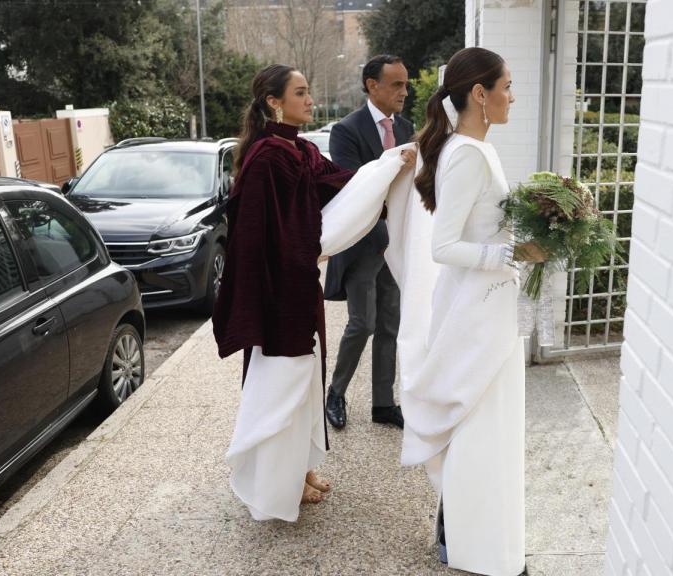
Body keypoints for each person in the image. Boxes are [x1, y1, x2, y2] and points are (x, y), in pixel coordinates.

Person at [212, 64, 415, 522]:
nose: (310, 100)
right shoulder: (267, 157)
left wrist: (390, 168)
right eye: (300, 93)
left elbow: (343, 184)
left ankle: (300, 471)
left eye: (308, 92)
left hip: (300, 286)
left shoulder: (301, 150)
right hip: (279, 295)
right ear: (273, 102)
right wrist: (302, 257)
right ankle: (276, 483)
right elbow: (256, 236)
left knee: (306, 383)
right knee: (283, 386)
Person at [397, 47, 543, 575]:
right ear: (480, 94)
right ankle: (472, 542)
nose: (513, 96)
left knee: (489, 426)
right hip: (474, 312)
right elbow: (444, 246)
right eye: (507, 86)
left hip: (491, 306)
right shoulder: (467, 155)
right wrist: (513, 252)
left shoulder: (479, 149)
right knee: (478, 424)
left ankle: (478, 536)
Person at [323, 55, 414, 430]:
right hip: (362, 246)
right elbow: (353, 187)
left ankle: (383, 403)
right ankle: (335, 393)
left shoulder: (407, 128)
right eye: (397, 84)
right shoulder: (346, 130)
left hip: (395, 245)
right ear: (372, 85)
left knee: (391, 325)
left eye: (406, 84)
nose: (404, 92)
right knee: (363, 324)